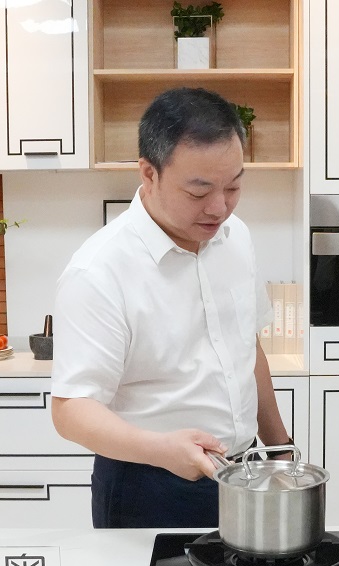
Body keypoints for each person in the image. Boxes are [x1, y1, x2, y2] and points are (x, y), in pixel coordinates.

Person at [51, 87, 291, 529]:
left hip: (244, 473)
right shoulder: (99, 270)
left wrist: (280, 450)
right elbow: (71, 409)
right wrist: (162, 450)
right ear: (149, 173)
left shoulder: (236, 237)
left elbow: (246, 348)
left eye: (233, 186)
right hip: (148, 484)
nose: (219, 207)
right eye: (199, 191)